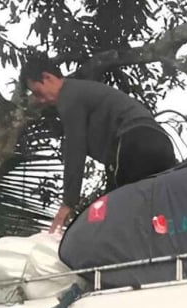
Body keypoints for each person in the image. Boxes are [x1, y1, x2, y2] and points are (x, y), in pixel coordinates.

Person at [20, 53, 178, 232]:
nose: (41, 101)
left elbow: (75, 148)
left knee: (115, 213)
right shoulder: (83, 91)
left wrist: (68, 203)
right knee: (159, 211)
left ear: (47, 78)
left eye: (38, 93)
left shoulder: (69, 96)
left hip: (134, 142)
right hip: (161, 142)